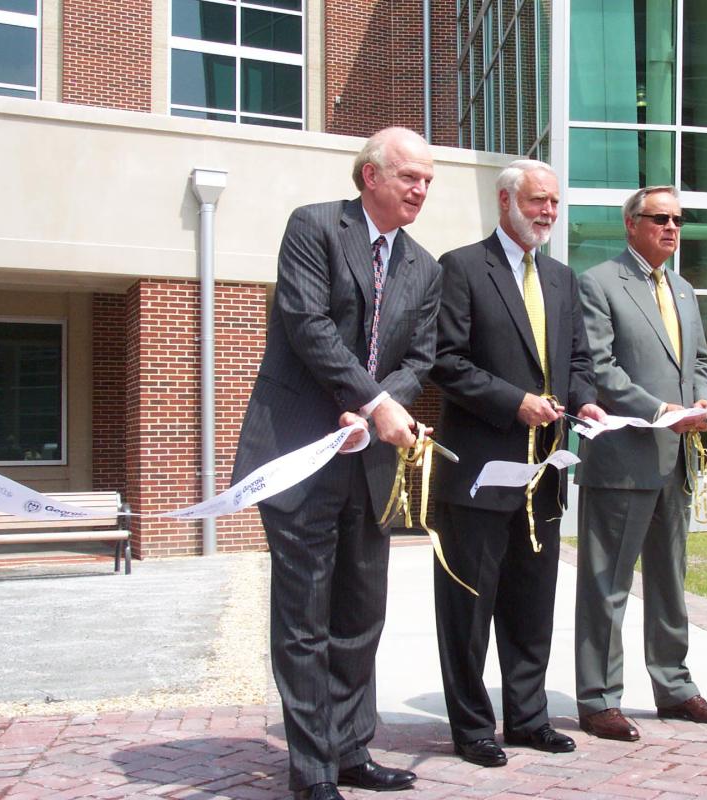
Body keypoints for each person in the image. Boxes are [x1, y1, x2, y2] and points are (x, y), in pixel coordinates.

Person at [231, 127, 441, 800]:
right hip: (298, 454)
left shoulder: (425, 267)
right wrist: (372, 400)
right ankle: (313, 771)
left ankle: (352, 751)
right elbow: (308, 324)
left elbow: (420, 358)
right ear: (370, 176)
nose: (421, 189)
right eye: (410, 176)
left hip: (369, 464)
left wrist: (381, 407)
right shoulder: (315, 228)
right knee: (304, 618)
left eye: (429, 180)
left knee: (360, 615)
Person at [430, 160, 605, 767]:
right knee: (468, 611)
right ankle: (472, 728)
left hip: (546, 472)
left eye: (554, 203)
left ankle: (528, 719)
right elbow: (444, 361)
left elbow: (576, 362)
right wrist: (515, 403)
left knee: (532, 605)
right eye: (537, 201)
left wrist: (584, 403)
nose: (548, 213)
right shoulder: (460, 267)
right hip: (479, 474)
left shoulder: (561, 278)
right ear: (505, 201)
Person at [574, 185, 707, 743]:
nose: (671, 227)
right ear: (631, 225)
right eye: (660, 218)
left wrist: (703, 403)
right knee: (606, 585)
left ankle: (676, 688)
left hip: (676, 461)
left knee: (670, 582)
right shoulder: (597, 283)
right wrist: (663, 410)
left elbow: (702, 362)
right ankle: (597, 700)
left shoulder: (683, 289)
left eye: (678, 219)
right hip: (622, 459)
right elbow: (600, 367)